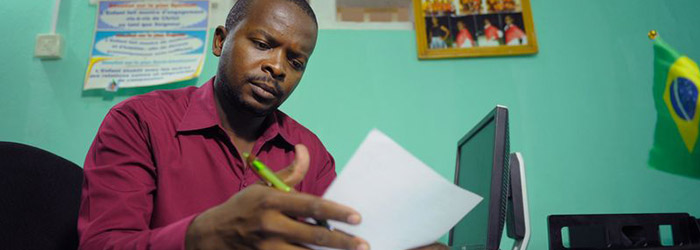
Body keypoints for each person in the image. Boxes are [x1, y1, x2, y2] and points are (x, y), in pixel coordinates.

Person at [77, 0, 448, 249]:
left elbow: (334, 240)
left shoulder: (309, 153)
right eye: (262, 43)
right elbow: (101, 244)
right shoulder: (139, 121)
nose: (278, 67)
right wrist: (205, 232)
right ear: (221, 41)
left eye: (296, 61)